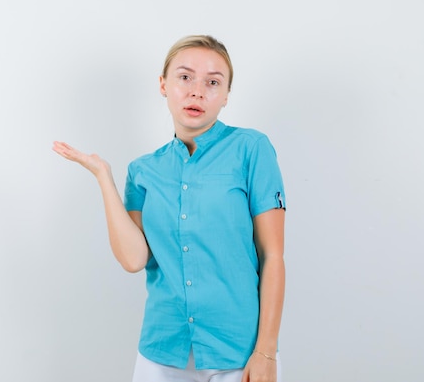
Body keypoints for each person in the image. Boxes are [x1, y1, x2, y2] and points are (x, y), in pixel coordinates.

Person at [52, 35, 286, 382]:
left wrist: (265, 351)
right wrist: (104, 177)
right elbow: (134, 260)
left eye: (213, 82)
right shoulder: (144, 170)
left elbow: (273, 257)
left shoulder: (251, 149)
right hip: (162, 352)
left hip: (238, 352)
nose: (197, 92)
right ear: (163, 85)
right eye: (185, 77)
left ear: (226, 96)